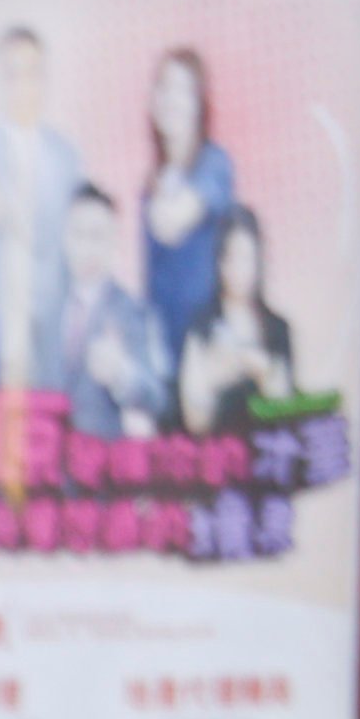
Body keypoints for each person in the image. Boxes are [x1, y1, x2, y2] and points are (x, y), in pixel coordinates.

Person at [0, 26, 83, 388]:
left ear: (45, 79)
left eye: (34, 73)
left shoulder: (66, 154)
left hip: (53, 314)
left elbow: (78, 232)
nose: (25, 86)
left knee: (49, 415)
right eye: (13, 75)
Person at [140, 47, 238, 363]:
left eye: (184, 90)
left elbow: (172, 222)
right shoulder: (151, 183)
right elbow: (152, 282)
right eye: (164, 87)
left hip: (211, 353)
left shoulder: (215, 164)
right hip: (167, 355)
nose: (172, 99)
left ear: (200, 104)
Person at [44, 185, 164, 437]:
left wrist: (121, 372)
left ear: (114, 242)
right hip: (48, 466)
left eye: (97, 236)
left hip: (102, 463)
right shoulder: (47, 311)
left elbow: (158, 397)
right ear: (65, 238)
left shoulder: (134, 312)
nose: (86, 247)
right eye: (78, 234)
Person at [174, 207, 295, 434]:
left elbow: (287, 415)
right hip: (217, 458)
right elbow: (194, 422)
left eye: (247, 258)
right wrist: (217, 375)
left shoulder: (279, 329)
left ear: (259, 261)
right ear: (219, 263)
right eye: (231, 258)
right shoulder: (201, 325)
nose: (239, 269)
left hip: (267, 459)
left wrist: (262, 370)